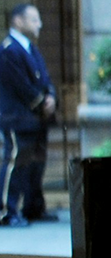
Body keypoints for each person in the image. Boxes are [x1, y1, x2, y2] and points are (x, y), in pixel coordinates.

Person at [0, 3, 53, 226]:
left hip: (36, 118)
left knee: (35, 164)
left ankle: (33, 207)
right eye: (34, 20)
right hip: (17, 117)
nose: (39, 24)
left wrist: (51, 96)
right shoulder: (9, 49)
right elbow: (20, 85)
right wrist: (41, 102)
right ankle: (7, 211)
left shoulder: (30, 48)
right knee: (16, 163)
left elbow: (45, 78)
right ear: (18, 21)